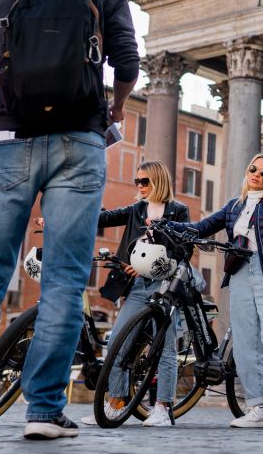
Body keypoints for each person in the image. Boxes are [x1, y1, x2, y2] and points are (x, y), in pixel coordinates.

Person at [0, 0, 139, 440]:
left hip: (11, 138)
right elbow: (127, 64)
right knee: (63, 277)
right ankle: (42, 412)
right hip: (77, 144)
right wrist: (114, 108)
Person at [165, 154, 263, 429]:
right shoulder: (234, 206)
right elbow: (200, 228)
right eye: (253, 169)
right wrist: (168, 224)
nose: (257, 174)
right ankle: (257, 407)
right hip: (240, 272)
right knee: (246, 342)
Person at [72, 161, 190, 427]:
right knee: (116, 343)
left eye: (144, 181)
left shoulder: (179, 211)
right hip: (137, 288)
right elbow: (104, 217)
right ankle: (115, 402)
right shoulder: (137, 209)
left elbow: (185, 249)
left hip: (165, 287)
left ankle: (162, 408)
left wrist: (156, 264)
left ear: (158, 181)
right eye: (137, 182)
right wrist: (65, 214)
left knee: (166, 348)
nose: (140, 186)